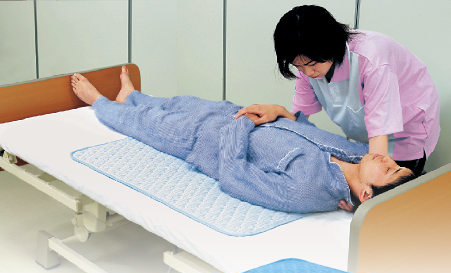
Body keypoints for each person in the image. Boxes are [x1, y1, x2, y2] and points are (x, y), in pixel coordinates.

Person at [70, 66, 414, 214]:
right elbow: (303, 128)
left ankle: (98, 102)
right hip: (230, 112)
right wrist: (278, 111)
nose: (386, 158)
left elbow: (233, 177)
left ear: (365, 194)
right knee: (177, 102)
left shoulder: (307, 190)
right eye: (396, 163)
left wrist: (242, 127)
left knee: (145, 123)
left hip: (204, 139)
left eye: (389, 170)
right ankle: (131, 96)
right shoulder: (356, 152)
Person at [235, 5, 440, 182]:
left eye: (312, 65)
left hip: (406, 131)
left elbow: (379, 130)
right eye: (299, 67)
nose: (308, 73)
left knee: (388, 195)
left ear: (330, 46)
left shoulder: (372, 59)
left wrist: (367, 184)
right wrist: (278, 112)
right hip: (369, 138)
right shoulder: (307, 64)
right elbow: (300, 122)